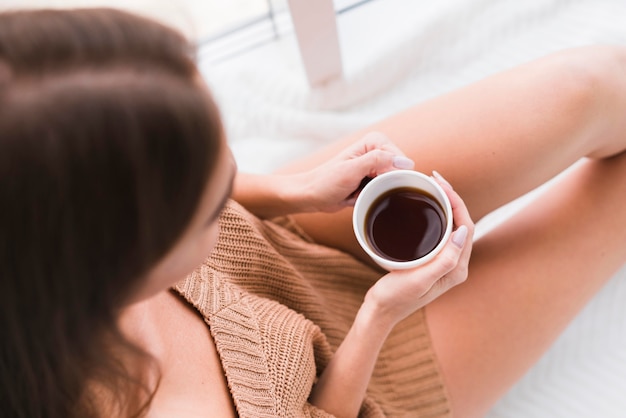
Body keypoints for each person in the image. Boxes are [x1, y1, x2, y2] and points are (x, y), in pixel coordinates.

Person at [1, 7, 625, 418]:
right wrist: (379, 317)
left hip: (287, 245)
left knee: (585, 85)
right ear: (114, 268)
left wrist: (294, 190)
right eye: (207, 202)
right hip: (370, 385)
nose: (228, 184)